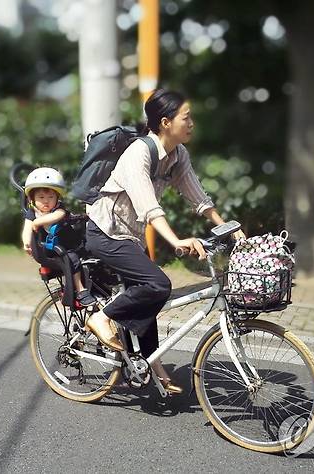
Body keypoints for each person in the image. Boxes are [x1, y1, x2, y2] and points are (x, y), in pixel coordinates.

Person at [84, 89, 245, 394]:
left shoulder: (177, 155)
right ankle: (101, 318)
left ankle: (151, 362)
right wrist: (176, 240)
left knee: (147, 295)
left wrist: (230, 229)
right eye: (187, 117)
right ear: (166, 122)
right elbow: (149, 208)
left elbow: (198, 198)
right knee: (158, 285)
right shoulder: (138, 153)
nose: (192, 123)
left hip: (129, 236)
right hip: (104, 232)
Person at [21, 167, 96, 306]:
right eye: (41, 197)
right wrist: (26, 242)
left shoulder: (58, 209)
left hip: (68, 243)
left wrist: (39, 221)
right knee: (72, 259)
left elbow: (58, 216)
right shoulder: (32, 213)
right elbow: (27, 229)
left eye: (51, 197)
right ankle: (81, 290)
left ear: (57, 198)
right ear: (32, 199)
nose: (46, 201)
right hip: (51, 250)